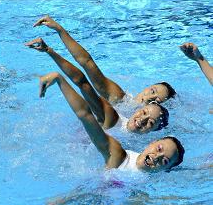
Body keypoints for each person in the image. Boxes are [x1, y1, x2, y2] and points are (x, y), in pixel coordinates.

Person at [38, 72, 184, 172]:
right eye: (158, 149)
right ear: (152, 142)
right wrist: (60, 79)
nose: (157, 157)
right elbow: (85, 113)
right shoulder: (119, 153)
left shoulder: (148, 180)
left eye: (164, 161)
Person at [26, 37, 169, 133]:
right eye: (152, 90)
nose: (150, 97)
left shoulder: (146, 147)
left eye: (150, 122)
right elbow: (85, 75)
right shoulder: (116, 112)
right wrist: (50, 50)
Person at [33, 15, 176, 104]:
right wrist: (60, 30)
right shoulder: (119, 99)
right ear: (146, 87)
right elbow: (87, 63)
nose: (151, 97)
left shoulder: (149, 124)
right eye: (152, 91)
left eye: (157, 100)